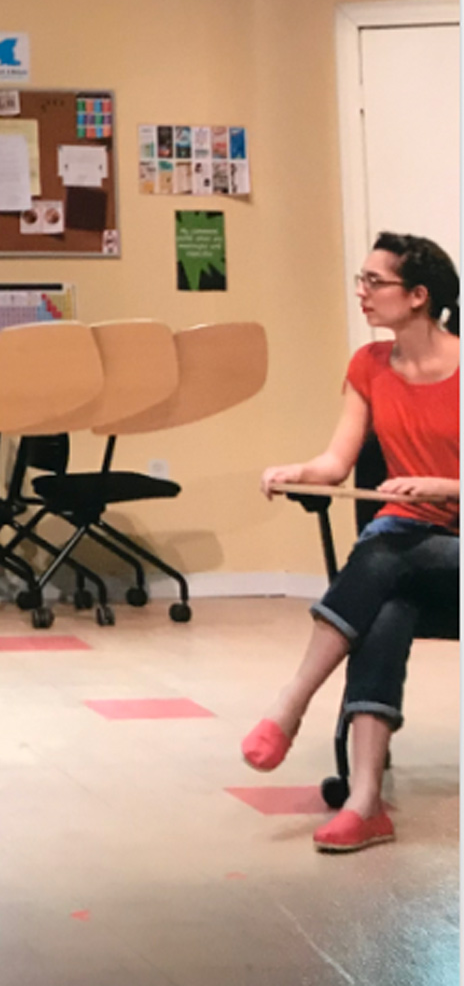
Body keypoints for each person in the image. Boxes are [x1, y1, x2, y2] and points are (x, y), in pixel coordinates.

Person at [244, 232, 459, 853]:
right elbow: (337, 462)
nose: (361, 293)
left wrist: (441, 486)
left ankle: (291, 702)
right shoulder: (367, 366)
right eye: (359, 281)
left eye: (374, 282)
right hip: (404, 546)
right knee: (386, 601)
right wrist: (296, 472)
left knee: (385, 553)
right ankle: (365, 803)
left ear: (419, 296)